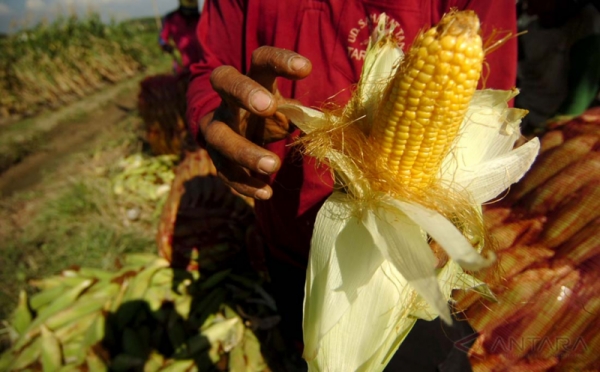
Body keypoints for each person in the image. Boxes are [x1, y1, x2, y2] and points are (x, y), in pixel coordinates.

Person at [187, 1, 517, 370]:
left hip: (405, 264)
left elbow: (485, 120)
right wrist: (216, 112)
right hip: (285, 242)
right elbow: (209, 68)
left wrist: (449, 220)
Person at [159, 0, 202, 73]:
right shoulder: (171, 18)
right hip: (181, 65)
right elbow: (162, 39)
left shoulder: (201, 18)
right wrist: (166, 46)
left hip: (201, 62)